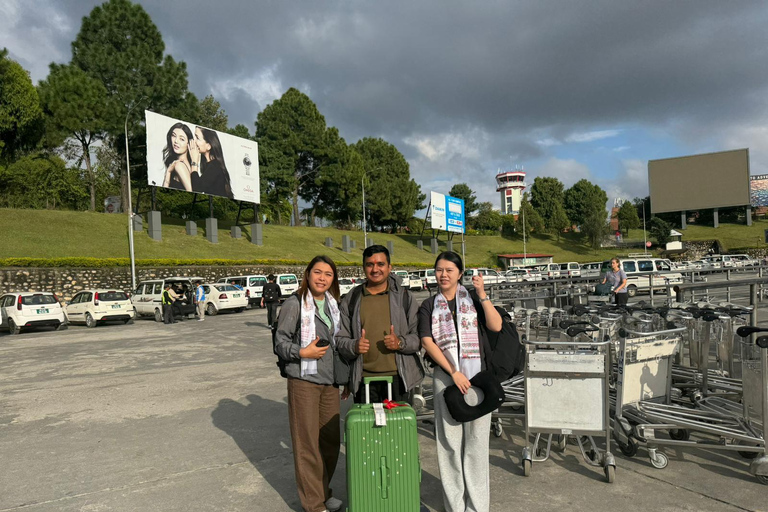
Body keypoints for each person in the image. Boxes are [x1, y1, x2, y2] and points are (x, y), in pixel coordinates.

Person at [418, 251, 502, 512]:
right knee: (450, 445)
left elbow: (496, 326)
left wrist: (483, 295)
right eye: (439, 270)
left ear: (460, 274)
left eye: (449, 270)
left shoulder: (473, 301)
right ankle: (455, 506)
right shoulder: (429, 305)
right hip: (446, 379)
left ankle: (477, 507)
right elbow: (426, 341)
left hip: (476, 377)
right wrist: (453, 371)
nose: (443, 275)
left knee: (477, 444)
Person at [273, 256, 346, 512]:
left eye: (328, 274)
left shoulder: (334, 305)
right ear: (308, 274)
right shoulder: (295, 304)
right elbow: (280, 342)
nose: (322, 278)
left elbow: (338, 344)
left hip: (330, 381)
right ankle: (314, 504)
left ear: (333, 279)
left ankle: (323, 492)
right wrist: (302, 352)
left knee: (330, 442)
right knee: (307, 444)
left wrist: (345, 378)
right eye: (317, 272)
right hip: (303, 380)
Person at [336, 245, 424, 404]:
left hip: (399, 378)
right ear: (364, 268)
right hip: (363, 379)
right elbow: (340, 338)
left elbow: (419, 338)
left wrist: (400, 343)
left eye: (380, 264)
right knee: (366, 422)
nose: (375, 269)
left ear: (389, 267)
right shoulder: (352, 298)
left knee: (398, 421)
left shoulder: (404, 297)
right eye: (370, 264)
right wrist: (354, 346)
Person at [189, 126, 234, 199]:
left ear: (208, 146)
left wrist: (194, 161)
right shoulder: (210, 165)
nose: (194, 141)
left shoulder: (215, 166)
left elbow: (197, 188)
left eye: (197, 138)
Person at [161, 123, 194, 191]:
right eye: (174, 136)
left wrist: (168, 173)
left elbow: (192, 191)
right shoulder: (181, 163)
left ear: (189, 144)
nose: (176, 141)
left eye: (182, 139)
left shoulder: (179, 165)